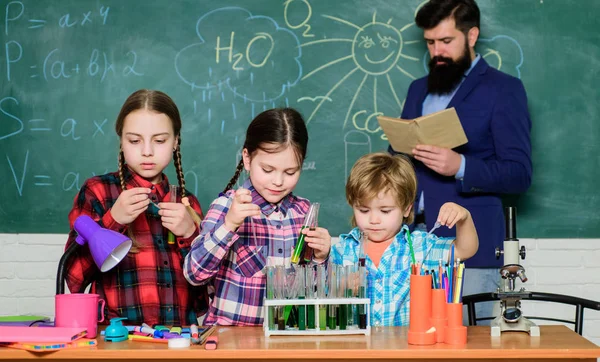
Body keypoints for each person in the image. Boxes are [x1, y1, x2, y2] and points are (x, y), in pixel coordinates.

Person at [389, 0, 532, 306]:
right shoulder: (418, 89)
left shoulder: (504, 90)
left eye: (446, 41)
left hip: (472, 247)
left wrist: (461, 165)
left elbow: (519, 174)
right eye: (430, 42)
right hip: (410, 243)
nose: (437, 51)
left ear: (471, 36)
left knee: (470, 346)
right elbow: (399, 159)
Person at [64, 89, 207, 326]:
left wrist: (190, 235)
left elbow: (203, 300)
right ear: (121, 141)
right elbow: (74, 279)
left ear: (175, 142)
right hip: (115, 342)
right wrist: (114, 219)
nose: (147, 151)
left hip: (177, 342)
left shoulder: (186, 202)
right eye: (134, 140)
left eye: (160, 140)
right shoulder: (97, 192)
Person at [184, 108, 331, 326]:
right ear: (247, 158)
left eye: (290, 172)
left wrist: (321, 257)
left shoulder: (303, 213)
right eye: (268, 169)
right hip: (230, 345)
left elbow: (316, 295)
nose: (278, 181)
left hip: (285, 341)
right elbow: (193, 274)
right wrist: (229, 225)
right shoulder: (227, 206)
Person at [331, 152, 478, 326]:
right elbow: (326, 303)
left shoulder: (418, 247)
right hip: (359, 350)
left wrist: (465, 219)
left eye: (385, 211)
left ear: (406, 209)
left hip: (409, 350)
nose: (374, 220)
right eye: (363, 210)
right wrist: (341, 288)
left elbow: (465, 250)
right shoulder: (343, 250)